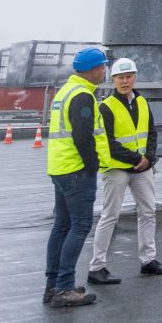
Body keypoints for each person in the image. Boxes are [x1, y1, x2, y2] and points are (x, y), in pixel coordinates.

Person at [87, 58, 162, 284]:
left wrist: (149, 158)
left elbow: (151, 132)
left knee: (148, 212)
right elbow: (108, 142)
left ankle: (148, 260)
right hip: (117, 168)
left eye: (128, 77)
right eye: (120, 78)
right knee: (110, 216)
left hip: (142, 168)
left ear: (134, 77)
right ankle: (97, 266)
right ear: (113, 80)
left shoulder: (142, 102)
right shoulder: (106, 107)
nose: (125, 81)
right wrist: (139, 159)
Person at [44, 47, 111, 308]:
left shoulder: (64, 92)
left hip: (60, 168)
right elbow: (83, 136)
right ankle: (64, 288)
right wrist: (92, 165)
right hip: (76, 171)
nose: (105, 71)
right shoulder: (83, 96)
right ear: (95, 70)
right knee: (80, 225)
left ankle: (53, 286)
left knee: (61, 226)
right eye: (103, 67)